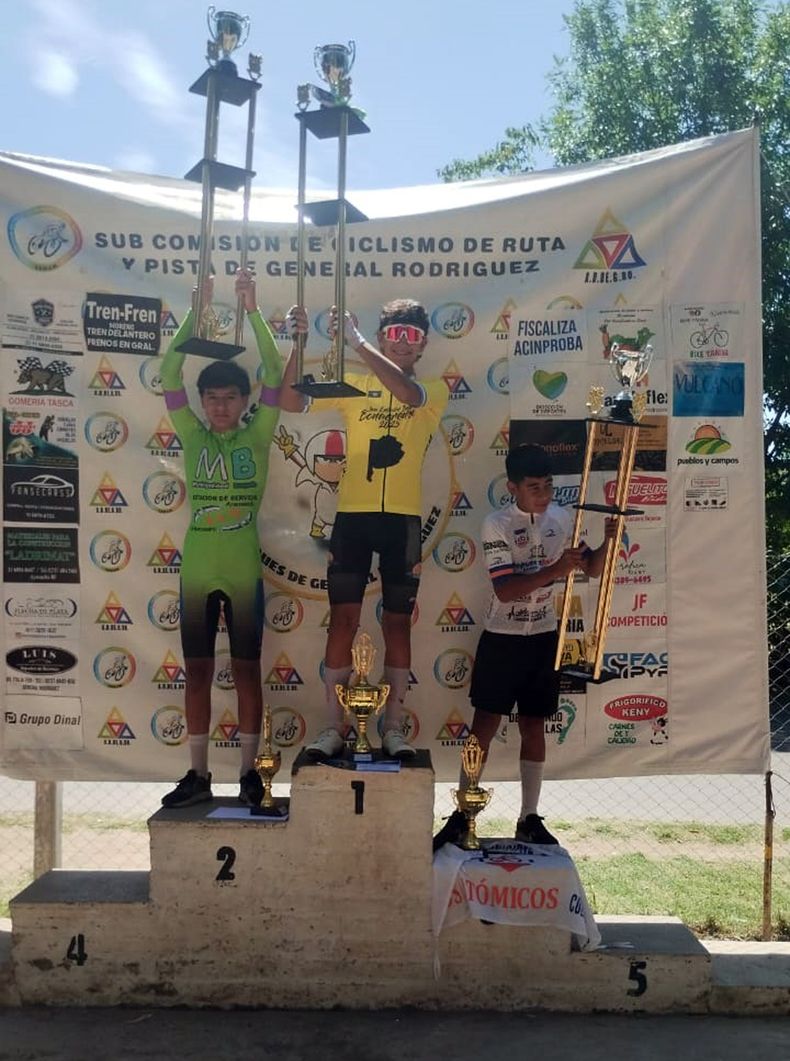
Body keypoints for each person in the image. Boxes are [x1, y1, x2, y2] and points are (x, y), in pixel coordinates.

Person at [280, 299, 447, 760]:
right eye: (395, 334)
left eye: (412, 336)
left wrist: (356, 341)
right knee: (344, 622)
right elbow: (290, 400)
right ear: (384, 335)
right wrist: (296, 343)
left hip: (402, 523)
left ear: (424, 345)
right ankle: (334, 726)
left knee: (397, 624)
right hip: (353, 518)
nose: (402, 343)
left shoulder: (433, 389)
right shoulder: (356, 384)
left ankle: (393, 727)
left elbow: (407, 396)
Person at [433, 443, 615, 849]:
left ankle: (529, 817)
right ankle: (464, 813)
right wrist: (556, 569)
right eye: (534, 487)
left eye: (549, 486)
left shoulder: (563, 518)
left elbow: (592, 569)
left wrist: (608, 542)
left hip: (545, 636)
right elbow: (506, 589)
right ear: (513, 487)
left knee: (535, 725)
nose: (544, 494)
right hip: (503, 637)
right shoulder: (495, 524)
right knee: (484, 725)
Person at [159, 269, 282, 809]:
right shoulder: (190, 431)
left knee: (249, 671)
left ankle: (251, 773)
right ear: (202, 400)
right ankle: (198, 774)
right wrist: (197, 311)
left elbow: (276, 370)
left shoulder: (258, 432)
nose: (219, 407)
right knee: (199, 672)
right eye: (211, 398)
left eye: (230, 398)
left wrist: (251, 309)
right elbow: (168, 371)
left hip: (242, 567)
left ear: (244, 399)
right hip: (198, 568)